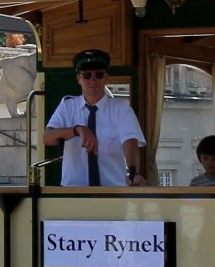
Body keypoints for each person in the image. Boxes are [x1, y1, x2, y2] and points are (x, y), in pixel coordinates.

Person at [44, 48, 146, 186]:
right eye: (87, 75)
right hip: (73, 194)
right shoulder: (67, 106)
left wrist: (134, 172)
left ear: (106, 77)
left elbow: (130, 142)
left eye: (99, 74)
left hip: (112, 193)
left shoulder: (121, 109)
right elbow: (47, 137)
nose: (93, 80)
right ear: (78, 79)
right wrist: (77, 130)